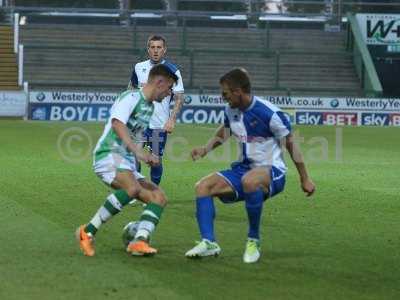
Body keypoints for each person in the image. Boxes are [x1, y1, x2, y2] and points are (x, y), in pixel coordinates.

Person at [185, 68, 315, 263]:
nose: (223, 98)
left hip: (273, 171)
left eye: (225, 93)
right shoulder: (231, 110)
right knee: (203, 187)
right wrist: (205, 149)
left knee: (250, 181)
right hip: (243, 169)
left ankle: (253, 241)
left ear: (238, 91)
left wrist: (304, 178)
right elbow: (226, 131)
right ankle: (209, 243)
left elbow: (290, 144)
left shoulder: (268, 113)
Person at [76, 64, 178, 257]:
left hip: (126, 160)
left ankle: (139, 241)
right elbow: (117, 124)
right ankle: (87, 232)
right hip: (109, 154)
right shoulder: (130, 97)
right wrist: (137, 152)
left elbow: (135, 135)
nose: (169, 94)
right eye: (169, 88)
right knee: (132, 189)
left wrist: (149, 155)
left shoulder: (149, 106)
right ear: (159, 82)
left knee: (159, 197)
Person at [128, 35, 184, 185]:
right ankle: (138, 189)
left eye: (159, 47)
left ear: (164, 50)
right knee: (134, 157)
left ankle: (153, 191)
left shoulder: (173, 71)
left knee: (155, 161)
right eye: (152, 47)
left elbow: (179, 97)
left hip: (159, 125)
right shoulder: (139, 67)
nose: (155, 51)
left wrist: (172, 120)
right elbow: (131, 89)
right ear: (148, 49)